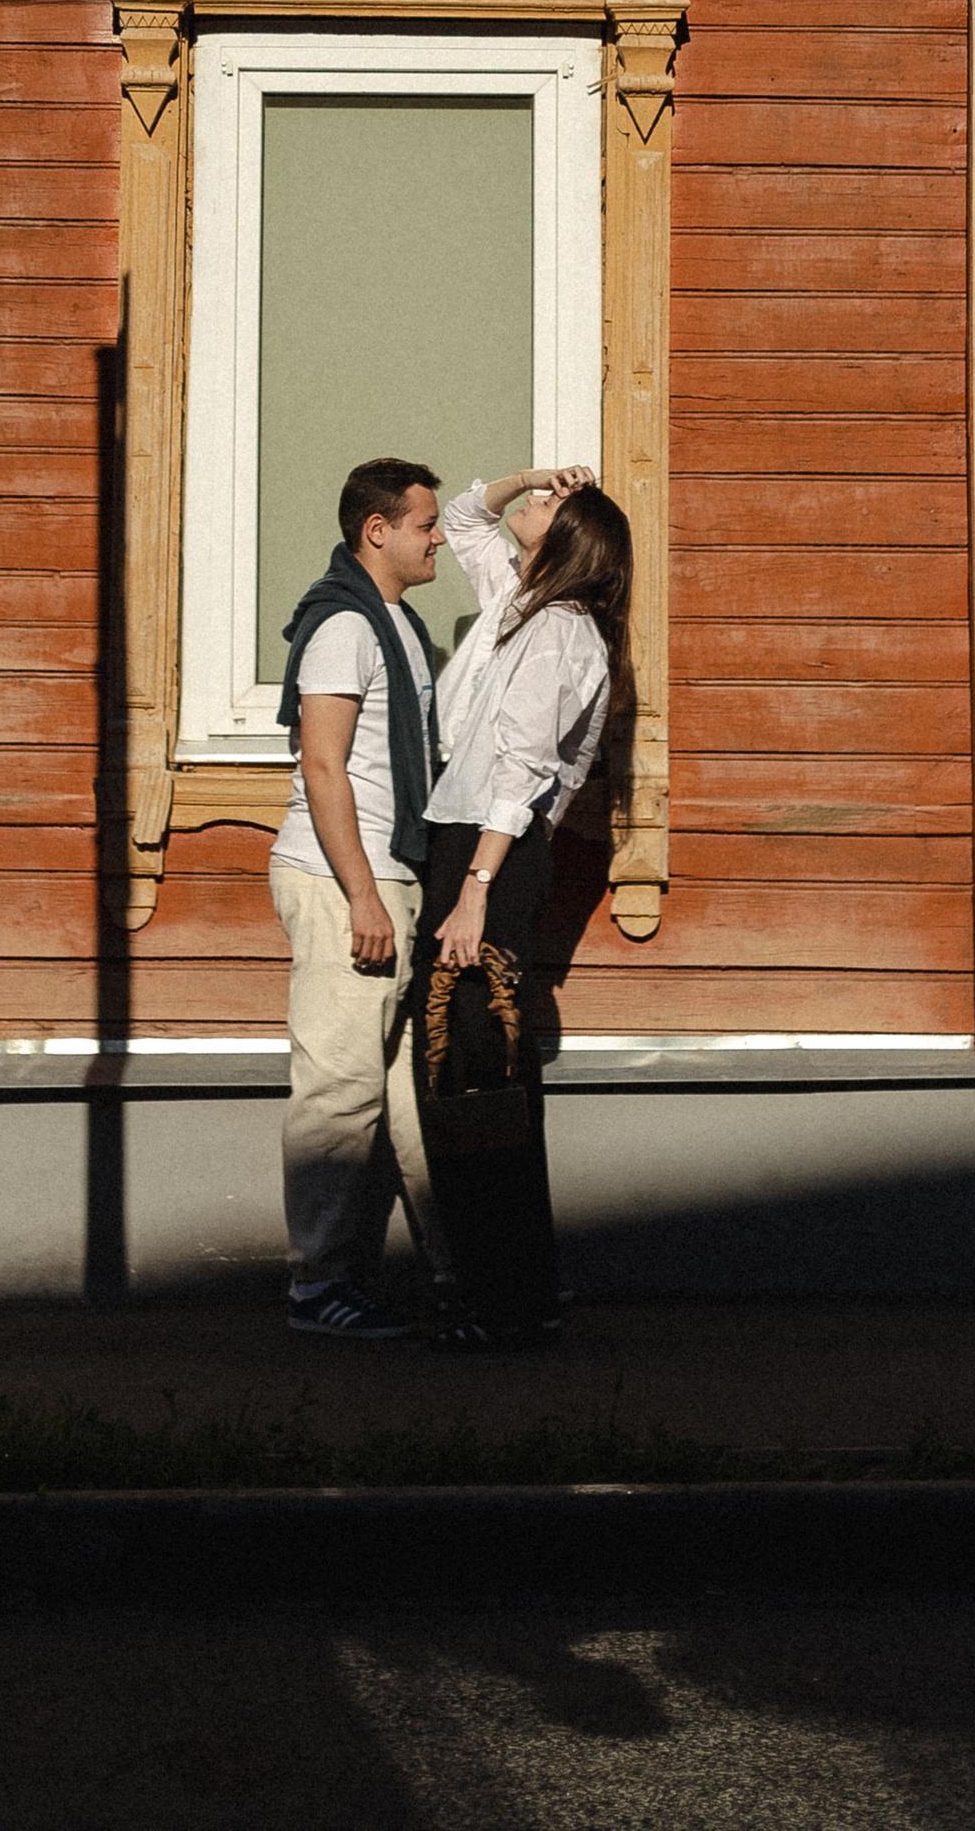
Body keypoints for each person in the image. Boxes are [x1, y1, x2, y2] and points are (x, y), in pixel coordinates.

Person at [412, 464, 633, 1349]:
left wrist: (473, 892)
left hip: (488, 855)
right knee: (479, 1068)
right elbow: (468, 517)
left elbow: (523, 769)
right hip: (472, 845)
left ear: (572, 536)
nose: (528, 508)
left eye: (546, 505)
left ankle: (504, 1300)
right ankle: (513, 1286)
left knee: (479, 1073)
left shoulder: (561, 633)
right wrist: (534, 477)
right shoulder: (523, 602)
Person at [266, 454, 451, 1342]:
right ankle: (316, 1285)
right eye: (425, 524)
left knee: (406, 1097)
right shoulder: (345, 627)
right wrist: (364, 896)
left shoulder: (397, 624)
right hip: (349, 880)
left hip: (388, 876)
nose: (441, 538)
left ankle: (461, 1270)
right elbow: (323, 765)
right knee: (339, 1092)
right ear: (377, 530)